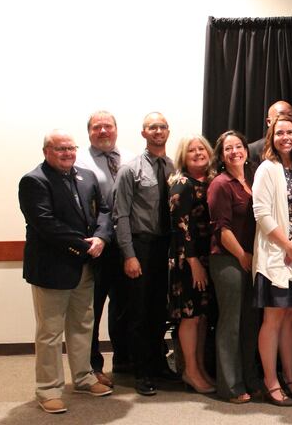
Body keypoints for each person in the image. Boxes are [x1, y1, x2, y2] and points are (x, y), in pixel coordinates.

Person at [19, 130, 114, 413]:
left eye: (71, 148)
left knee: (83, 324)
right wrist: (84, 246)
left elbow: (105, 212)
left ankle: (83, 377)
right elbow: (45, 224)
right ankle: (48, 390)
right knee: (49, 332)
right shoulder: (34, 181)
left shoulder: (86, 177)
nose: (67, 153)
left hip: (84, 267)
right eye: (60, 149)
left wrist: (101, 238)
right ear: (46, 150)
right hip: (52, 268)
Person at [113, 112, 177, 396]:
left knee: (159, 311)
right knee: (139, 311)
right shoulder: (130, 169)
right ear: (143, 133)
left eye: (162, 127)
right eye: (152, 127)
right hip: (141, 246)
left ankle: (158, 363)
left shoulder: (173, 166)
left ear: (168, 131)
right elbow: (121, 215)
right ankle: (141, 372)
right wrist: (129, 254)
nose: (158, 131)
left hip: (166, 247)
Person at [252, 115, 292, 406]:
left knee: (290, 318)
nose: (286, 137)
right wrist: (287, 245)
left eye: (290, 132)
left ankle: (290, 377)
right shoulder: (266, 168)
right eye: (280, 133)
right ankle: (270, 381)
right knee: (273, 319)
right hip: (274, 256)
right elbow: (261, 213)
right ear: (271, 138)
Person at [75, 111, 133, 386]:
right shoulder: (79, 161)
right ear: (89, 133)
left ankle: (123, 359)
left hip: (125, 244)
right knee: (92, 310)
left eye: (107, 126)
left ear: (116, 130)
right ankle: (92, 366)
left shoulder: (129, 158)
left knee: (123, 306)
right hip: (97, 245)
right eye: (97, 127)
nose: (103, 131)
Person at [207, 131, 259, 404]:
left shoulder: (251, 180)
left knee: (250, 323)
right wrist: (242, 255)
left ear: (246, 150)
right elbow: (221, 229)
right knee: (231, 324)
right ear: (222, 155)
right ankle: (230, 386)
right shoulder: (220, 183)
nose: (235, 151)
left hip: (251, 260)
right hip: (229, 260)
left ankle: (250, 379)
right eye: (228, 148)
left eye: (239, 146)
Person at [166, 136, 217, 394]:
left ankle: (199, 368)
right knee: (190, 316)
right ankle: (190, 371)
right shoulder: (182, 184)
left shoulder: (209, 181)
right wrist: (195, 262)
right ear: (183, 157)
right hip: (189, 260)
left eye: (201, 149)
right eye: (191, 151)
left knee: (203, 316)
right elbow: (179, 228)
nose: (198, 153)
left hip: (208, 258)